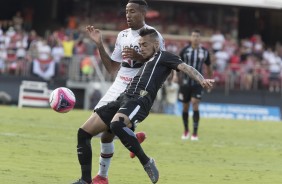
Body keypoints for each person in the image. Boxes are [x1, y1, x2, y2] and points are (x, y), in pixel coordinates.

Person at [74, 28, 214, 184]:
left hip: (140, 99)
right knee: (83, 132)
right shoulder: (145, 61)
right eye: (139, 45)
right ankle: (85, 180)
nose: (141, 48)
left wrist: (201, 80)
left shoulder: (165, 56)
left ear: (155, 44)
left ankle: (146, 161)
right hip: (123, 98)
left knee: (116, 124)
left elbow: (186, 68)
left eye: (144, 45)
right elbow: (114, 67)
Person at [73, 1, 165, 184]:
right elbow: (113, 69)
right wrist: (99, 45)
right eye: (126, 11)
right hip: (116, 87)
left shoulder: (154, 36)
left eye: (132, 11)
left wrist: (139, 57)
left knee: (105, 131)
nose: (128, 15)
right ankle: (128, 139)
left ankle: (102, 174)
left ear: (143, 12)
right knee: (104, 133)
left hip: (135, 90)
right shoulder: (122, 35)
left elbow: (160, 67)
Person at [178, 29, 213, 141]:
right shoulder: (185, 51)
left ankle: (195, 133)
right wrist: (175, 76)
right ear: (191, 38)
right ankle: (186, 130)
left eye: (197, 36)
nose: (195, 38)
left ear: (200, 38)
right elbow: (177, 64)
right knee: (185, 107)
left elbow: (208, 67)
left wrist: (210, 80)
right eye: (193, 36)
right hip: (185, 83)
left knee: (195, 104)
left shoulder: (204, 52)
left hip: (198, 83)